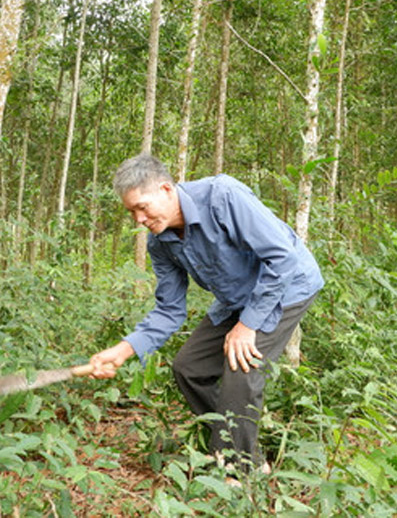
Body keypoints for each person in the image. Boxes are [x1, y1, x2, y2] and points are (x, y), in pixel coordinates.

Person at [90, 153, 323, 474]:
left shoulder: (223, 197)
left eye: (142, 207)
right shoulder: (160, 244)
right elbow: (169, 310)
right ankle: (245, 450)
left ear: (167, 189)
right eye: (131, 212)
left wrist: (246, 326)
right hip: (236, 298)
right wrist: (124, 350)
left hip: (288, 285)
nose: (138, 220)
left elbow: (282, 259)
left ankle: (238, 474)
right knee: (189, 368)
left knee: (240, 369)